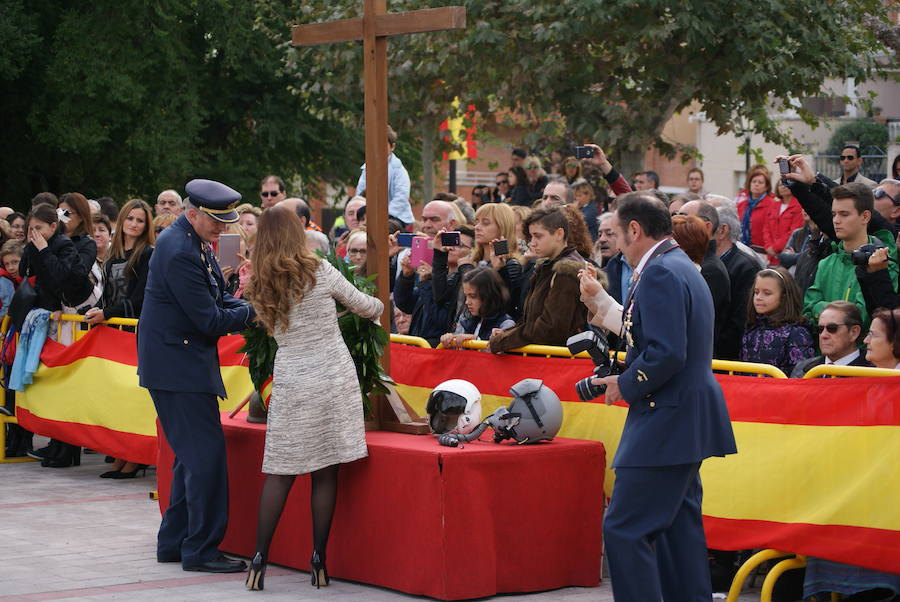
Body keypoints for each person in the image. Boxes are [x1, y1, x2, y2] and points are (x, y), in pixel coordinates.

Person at [579, 192, 736, 602]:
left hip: (666, 415)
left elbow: (667, 352)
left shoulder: (662, 271)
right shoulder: (677, 264)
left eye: (615, 232)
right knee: (676, 529)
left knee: (625, 528)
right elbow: (656, 340)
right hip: (683, 414)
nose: (612, 243)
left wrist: (624, 384)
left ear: (635, 230)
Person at [242, 206, 383, 591]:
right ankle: (319, 561)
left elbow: (274, 329)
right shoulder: (319, 270)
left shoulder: (259, 281)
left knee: (281, 472)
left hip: (291, 379)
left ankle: (258, 561)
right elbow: (366, 306)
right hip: (332, 377)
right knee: (326, 471)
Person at [138, 179, 256, 574]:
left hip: (179, 366)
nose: (222, 229)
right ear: (194, 213)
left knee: (190, 460)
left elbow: (217, 298)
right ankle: (201, 550)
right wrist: (256, 313)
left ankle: (174, 543)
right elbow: (208, 319)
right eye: (216, 222)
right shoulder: (179, 249)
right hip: (178, 369)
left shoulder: (189, 241)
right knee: (205, 460)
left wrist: (244, 302)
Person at [85, 199, 156, 479]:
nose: (135, 224)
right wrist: (95, 310)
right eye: (131, 219)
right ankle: (120, 453)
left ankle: (134, 457)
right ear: (123, 221)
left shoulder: (148, 254)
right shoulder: (113, 256)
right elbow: (109, 294)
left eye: (140, 220)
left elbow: (139, 299)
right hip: (113, 331)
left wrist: (106, 313)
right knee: (116, 397)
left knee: (133, 395)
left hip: (134, 332)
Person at [20, 204, 91, 467]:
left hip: (67, 319)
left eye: (38, 228)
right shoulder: (34, 245)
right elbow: (27, 273)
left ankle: (67, 447)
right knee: (50, 382)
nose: (33, 233)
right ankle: (56, 442)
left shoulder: (65, 246)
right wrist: (33, 249)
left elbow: (61, 278)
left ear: (52, 227)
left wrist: (42, 250)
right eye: (31, 229)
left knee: (65, 381)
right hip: (46, 317)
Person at [488, 207, 589, 352]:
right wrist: (508, 333)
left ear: (559, 234)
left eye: (538, 236)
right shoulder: (547, 266)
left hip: (558, 362)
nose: (532, 243)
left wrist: (503, 340)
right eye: (531, 237)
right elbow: (531, 320)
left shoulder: (567, 271)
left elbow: (550, 329)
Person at [803, 183, 898, 328]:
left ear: (865, 216)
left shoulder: (882, 264)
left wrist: (822, 308)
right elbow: (808, 310)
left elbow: (865, 317)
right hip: (823, 349)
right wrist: (845, 313)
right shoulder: (825, 263)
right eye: (834, 214)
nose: (836, 220)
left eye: (844, 214)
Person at [741, 267, 815, 375]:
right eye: (756, 292)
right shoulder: (752, 329)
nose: (758, 298)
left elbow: (800, 375)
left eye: (767, 293)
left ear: (784, 296)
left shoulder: (797, 333)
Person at [715, 206, 765, 360]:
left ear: (722, 230)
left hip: (727, 359)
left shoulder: (746, 266)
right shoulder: (710, 261)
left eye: (706, 225)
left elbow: (740, 320)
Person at [790, 301, 871, 377]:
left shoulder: (874, 372)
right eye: (820, 329)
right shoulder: (803, 369)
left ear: (854, 332)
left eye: (832, 328)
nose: (823, 335)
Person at [440, 267, 515, 348]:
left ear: (488, 295)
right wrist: (449, 340)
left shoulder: (506, 324)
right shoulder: (465, 320)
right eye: (466, 296)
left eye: (473, 296)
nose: (467, 302)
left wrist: (476, 341)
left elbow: (501, 356)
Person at [355, 125, 414, 226]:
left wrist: (386, 215)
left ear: (392, 147)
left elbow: (401, 195)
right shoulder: (368, 168)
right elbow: (360, 192)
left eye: (383, 145)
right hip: (370, 216)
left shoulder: (397, 169)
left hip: (396, 217)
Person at [735, 165, 777, 249]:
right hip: (742, 247)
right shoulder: (741, 205)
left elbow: (772, 230)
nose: (756, 184)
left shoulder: (772, 204)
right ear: (749, 184)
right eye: (754, 181)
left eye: (760, 182)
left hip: (762, 250)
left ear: (766, 187)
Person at [761, 182, 804, 265]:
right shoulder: (773, 205)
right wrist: (768, 247)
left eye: (786, 184)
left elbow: (793, 231)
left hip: (787, 255)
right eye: (780, 184)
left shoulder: (798, 206)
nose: (783, 187)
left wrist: (775, 248)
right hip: (771, 257)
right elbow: (766, 229)